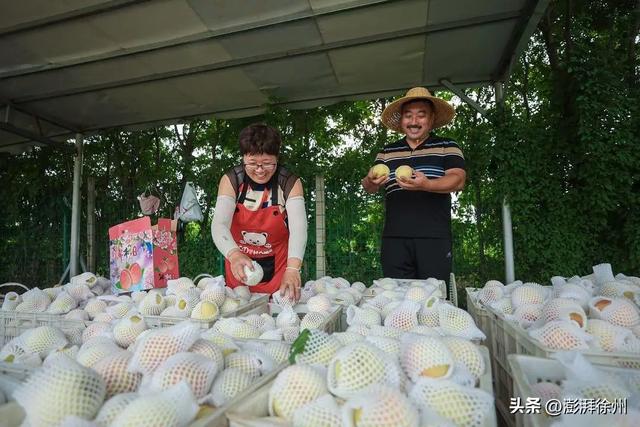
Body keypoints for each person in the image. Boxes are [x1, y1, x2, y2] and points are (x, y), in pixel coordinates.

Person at [361, 87, 466, 289]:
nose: (414, 121)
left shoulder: (447, 145)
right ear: (401, 121)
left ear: (432, 118)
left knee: (434, 296)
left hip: (434, 238)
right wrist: (370, 181)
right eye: (408, 116)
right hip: (395, 238)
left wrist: (426, 184)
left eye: (421, 115)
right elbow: (369, 187)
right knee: (395, 295)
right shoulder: (387, 152)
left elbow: (458, 180)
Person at [211, 124, 307, 301]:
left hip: (278, 269)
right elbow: (219, 225)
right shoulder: (232, 180)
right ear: (243, 158)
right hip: (239, 265)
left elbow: (299, 229)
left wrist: (293, 269)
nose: (260, 170)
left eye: (268, 163)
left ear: (277, 158)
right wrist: (234, 255)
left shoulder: (289, 183)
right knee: (238, 310)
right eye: (253, 163)